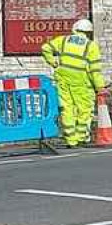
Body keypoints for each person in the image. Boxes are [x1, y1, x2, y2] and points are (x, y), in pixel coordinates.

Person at [41, 19, 105, 147]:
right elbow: (95, 70)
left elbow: (45, 48)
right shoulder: (91, 46)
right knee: (84, 110)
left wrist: (53, 62)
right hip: (82, 82)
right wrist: (100, 87)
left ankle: (71, 140)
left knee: (66, 109)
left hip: (63, 80)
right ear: (89, 32)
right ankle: (82, 137)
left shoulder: (63, 40)